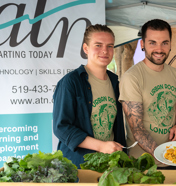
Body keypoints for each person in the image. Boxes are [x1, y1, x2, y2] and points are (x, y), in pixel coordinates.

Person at [53, 24, 126, 168]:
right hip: (78, 166)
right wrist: (101, 146)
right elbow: (61, 127)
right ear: (85, 48)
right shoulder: (70, 82)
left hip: (109, 165)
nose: (105, 51)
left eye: (110, 46)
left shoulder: (115, 82)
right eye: (98, 45)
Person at [118, 19, 176, 167]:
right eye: (152, 42)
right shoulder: (132, 77)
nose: (159, 49)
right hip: (142, 164)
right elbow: (137, 129)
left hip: (173, 159)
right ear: (142, 44)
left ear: (170, 44)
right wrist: (164, 156)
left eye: (164, 43)